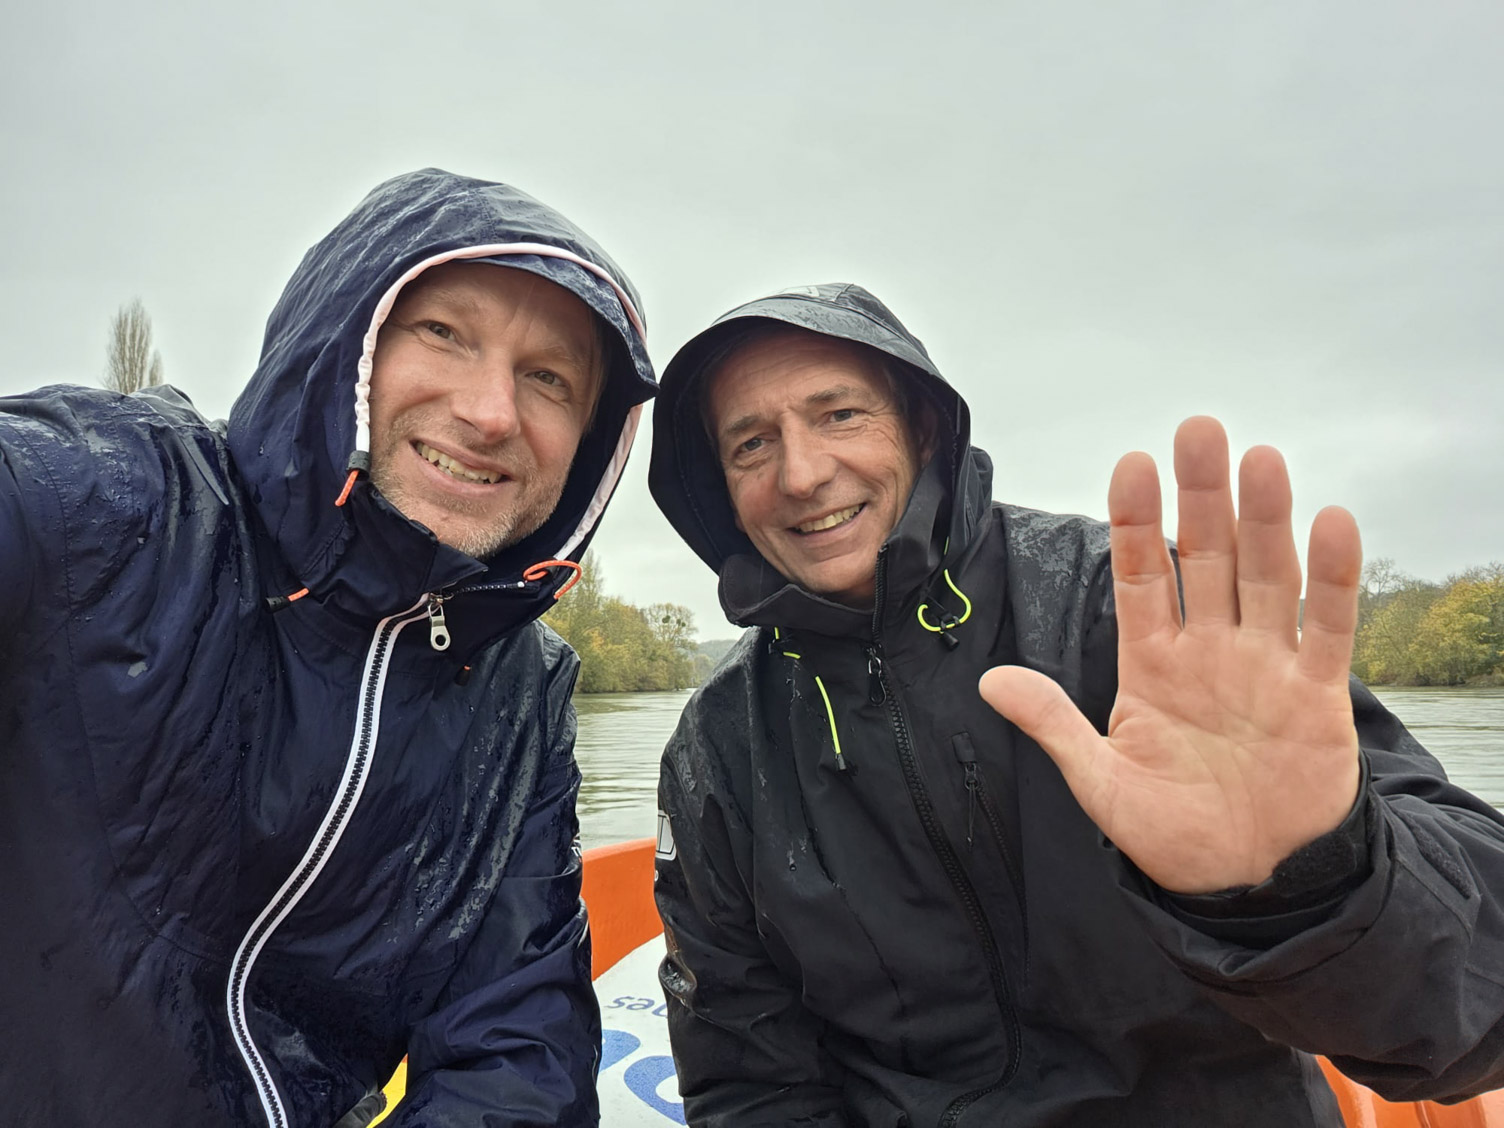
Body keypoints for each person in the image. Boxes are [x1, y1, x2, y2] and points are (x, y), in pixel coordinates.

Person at [647, 282, 1504, 1127]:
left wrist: (1307, 887)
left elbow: (1477, 1010)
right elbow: (752, 1083)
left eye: (839, 415)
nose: (801, 474)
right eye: (751, 444)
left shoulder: (1132, 607)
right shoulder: (717, 747)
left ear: (923, 428)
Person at [0, 169, 656, 1127]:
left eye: (548, 378)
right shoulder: (104, 503)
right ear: (342, 341)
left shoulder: (527, 688)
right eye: (444, 333)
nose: (491, 413)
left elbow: (512, 1043)